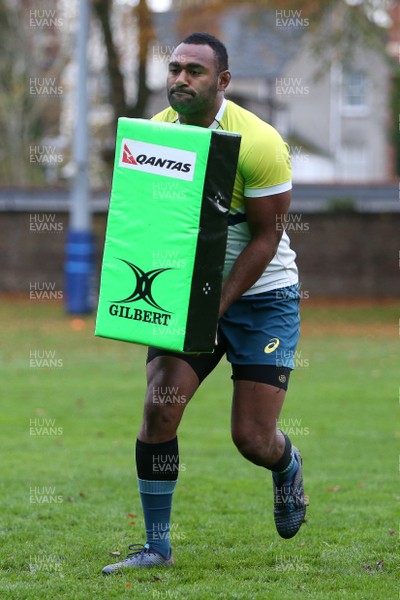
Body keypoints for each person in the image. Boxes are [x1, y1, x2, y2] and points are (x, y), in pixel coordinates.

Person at [102, 31, 306, 574]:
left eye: (194, 71)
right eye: (173, 69)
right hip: (189, 296)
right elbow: (145, 225)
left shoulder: (259, 142)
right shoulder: (153, 137)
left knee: (251, 438)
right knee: (159, 408)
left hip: (263, 297)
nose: (180, 80)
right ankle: (157, 547)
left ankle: (286, 466)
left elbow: (266, 238)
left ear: (222, 81)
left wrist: (215, 304)